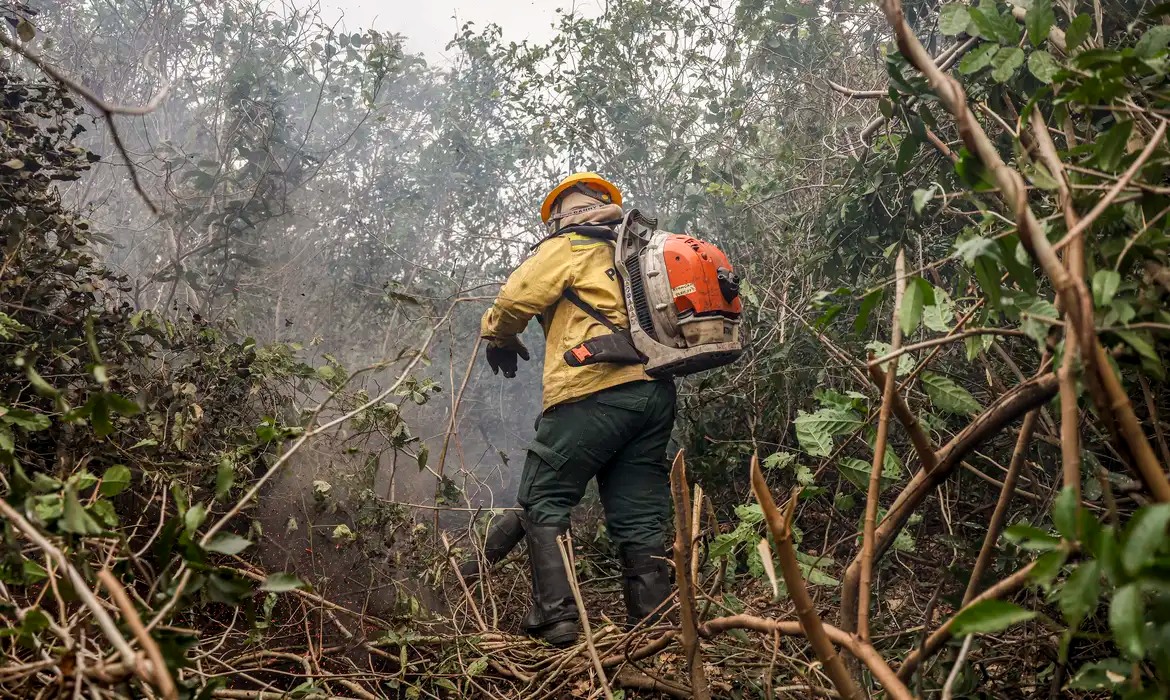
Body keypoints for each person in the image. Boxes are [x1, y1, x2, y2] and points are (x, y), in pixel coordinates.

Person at [478, 173, 676, 646]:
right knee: (638, 513)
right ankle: (655, 629)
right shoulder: (635, 251)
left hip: (593, 386)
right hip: (653, 392)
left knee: (544, 497)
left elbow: (514, 299)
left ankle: (557, 619)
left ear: (561, 217)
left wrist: (498, 336)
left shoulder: (569, 245)